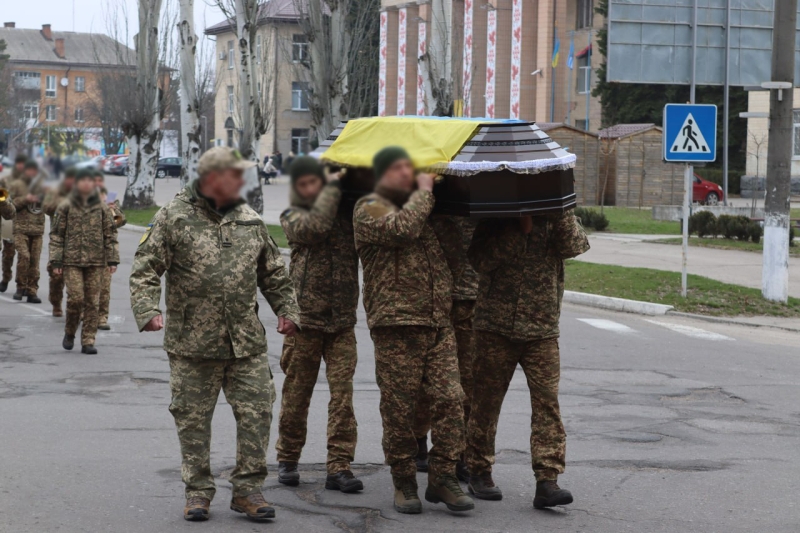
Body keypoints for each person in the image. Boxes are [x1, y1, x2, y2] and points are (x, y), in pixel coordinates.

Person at [129, 147, 301, 522]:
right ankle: (198, 492)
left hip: (246, 342)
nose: (241, 183)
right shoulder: (173, 217)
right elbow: (145, 268)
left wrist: (287, 310)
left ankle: (248, 490)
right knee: (192, 420)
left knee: (257, 412)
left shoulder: (249, 219)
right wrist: (148, 311)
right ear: (210, 180)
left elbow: (273, 272)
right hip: (192, 343)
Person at [353, 146, 474, 515]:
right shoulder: (369, 208)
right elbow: (402, 231)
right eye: (401, 169)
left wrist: (449, 204)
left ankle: (442, 477)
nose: (410, 174)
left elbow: (457, 257)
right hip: (396, 326)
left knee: (452, 401)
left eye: (413, 169)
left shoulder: (427, 213)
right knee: (399, 409)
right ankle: (404, 481)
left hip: (438, 323)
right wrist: (424, 190)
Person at [465, 212, 589, 509]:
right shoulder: (495, 217)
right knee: (485, 403)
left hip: (541, 328)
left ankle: (547, 480)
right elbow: (479, 260)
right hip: (494, 326)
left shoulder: (556, 215)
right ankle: (479, 471)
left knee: (547, 404)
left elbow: (576, 246)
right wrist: (519, 229)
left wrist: (559, 214)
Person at [275, 157, 362, 493]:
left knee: (343, 398)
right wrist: (330, 188)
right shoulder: (293, 215)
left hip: (341, 322)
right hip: (304, 322)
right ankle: (288, 458)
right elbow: (314, 230)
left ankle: (339, 466)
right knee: (297, 395)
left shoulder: (349, 217)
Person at [412, 215, 478, 481]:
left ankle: (460, 453)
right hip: (439, 300)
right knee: (432, 382)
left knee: (469, 385)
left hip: (475, 299)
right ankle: (417, 438)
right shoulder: (437, 199)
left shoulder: (486, 200)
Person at [49, 169, 118, 354]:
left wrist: (112, 260)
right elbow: (57, 235)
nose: (87, 184)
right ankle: (70, 332)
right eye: (83, 180)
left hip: (96, 262)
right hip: (72, 261)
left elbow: (110, 235)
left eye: (90, 180)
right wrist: (56, 261)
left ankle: (88, 340)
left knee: (92, 303)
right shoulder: (66, 205)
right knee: (76, 299)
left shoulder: (102, 207)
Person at [8, 159, 47, 303]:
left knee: (34, 261)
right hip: (21, 228)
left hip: (37, 229)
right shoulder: (17, 185)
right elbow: (11, 206)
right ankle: (20, 287)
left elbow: (48, 207)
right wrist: (26, 199)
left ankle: (32, 290)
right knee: (24, 257)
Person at [43, 167, 77, 316]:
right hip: (58, 240)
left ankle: (78, 308)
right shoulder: (55, 192)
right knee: (56, 276)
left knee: (78, 278)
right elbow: (46, 208)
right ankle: (56, 303)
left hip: (78, 243)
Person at [97, 187, 126, 330]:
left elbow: (120, 221)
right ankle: (84, 313)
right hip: (87, 254)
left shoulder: (111, 203)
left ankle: (102, 317)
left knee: (104, 288)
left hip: (106, 253)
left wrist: (113, 210)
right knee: (87, 287)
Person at [0, 155, 25, 293]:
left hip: (26, 222)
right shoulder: (5, 181)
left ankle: (24, 285)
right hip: (9, 221)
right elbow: (2, 198)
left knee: (25, 256)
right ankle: (6, 277)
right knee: (8, 254)